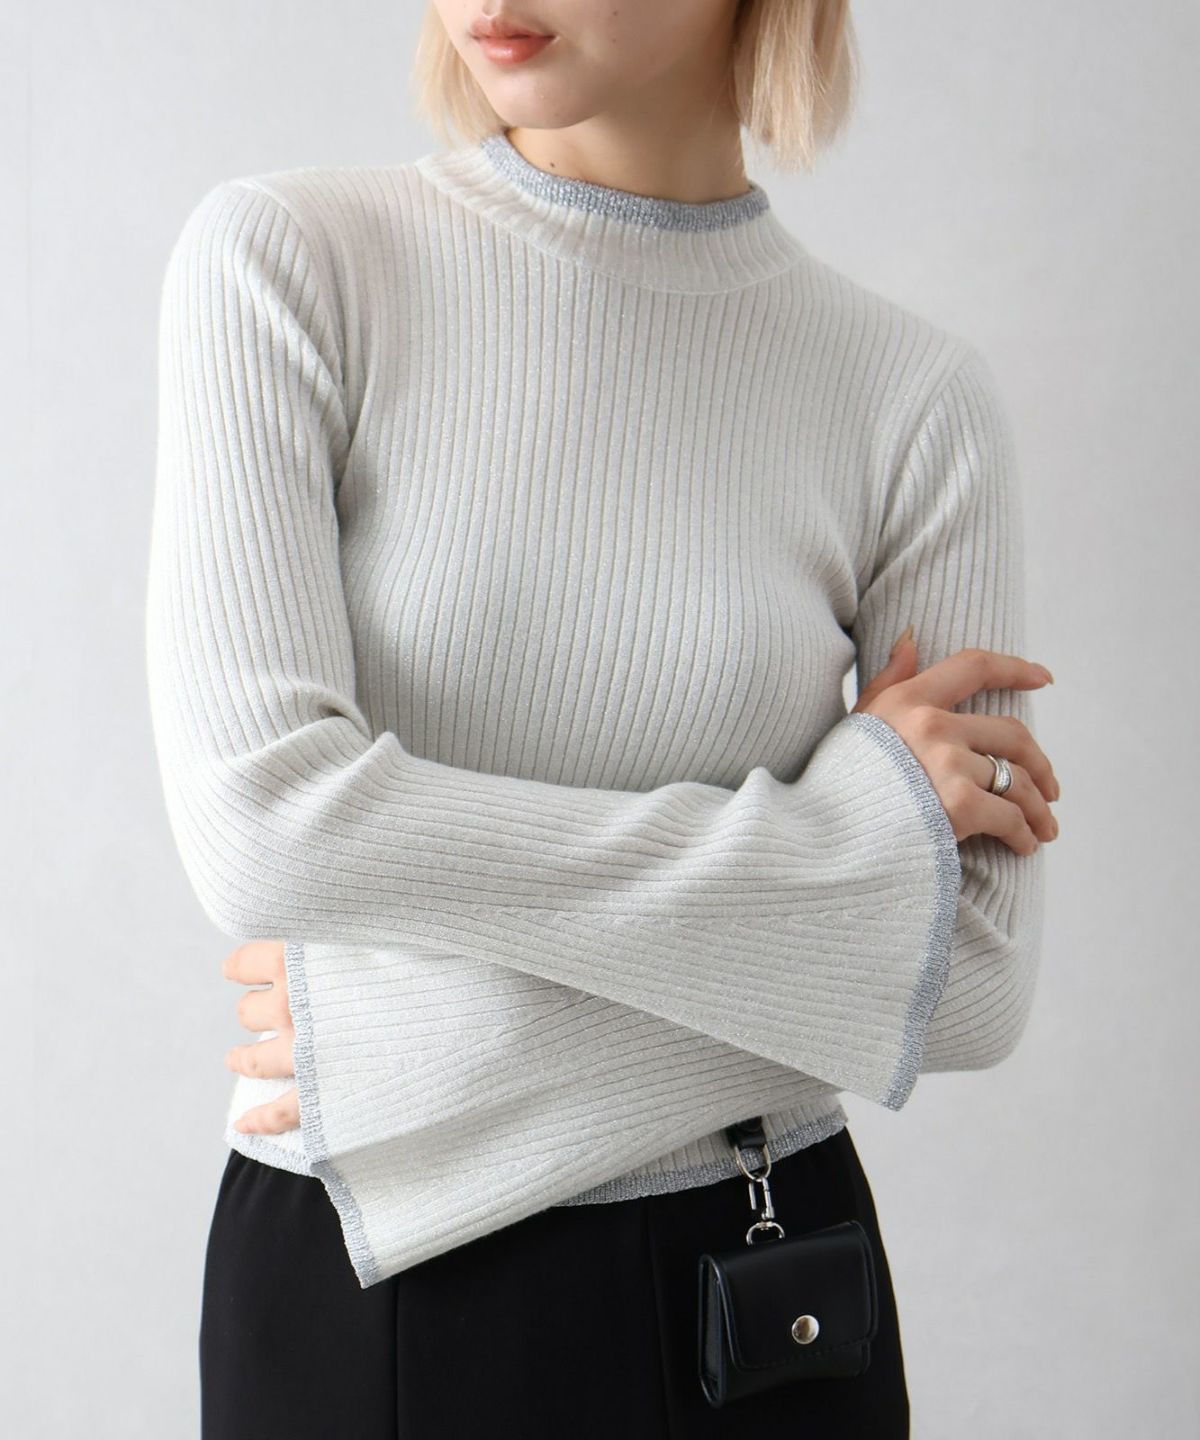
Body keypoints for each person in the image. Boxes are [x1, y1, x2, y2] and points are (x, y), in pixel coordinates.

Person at [145, 2, 1059, 1435]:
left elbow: (972, 981)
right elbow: (266, 830)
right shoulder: (292, 262)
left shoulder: (910, 399)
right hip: (369, 1284)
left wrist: (409, 1041)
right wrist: (841, 848)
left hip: (761, 1274)